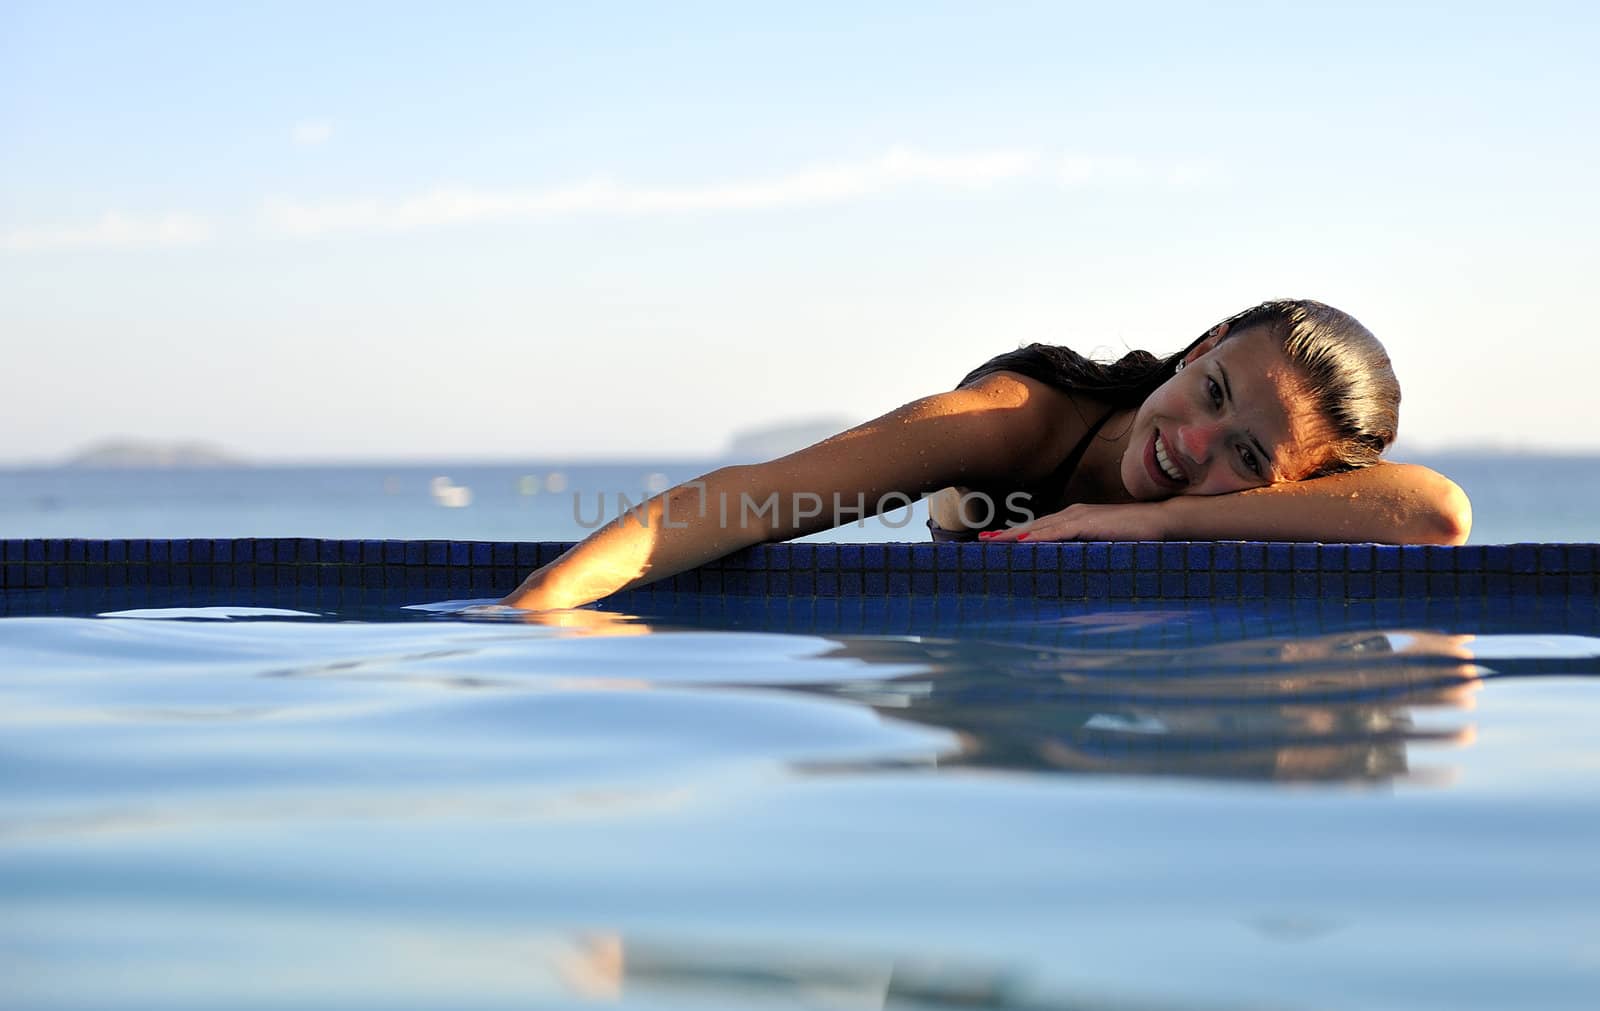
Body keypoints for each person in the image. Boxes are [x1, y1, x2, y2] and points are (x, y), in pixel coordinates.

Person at [501, 299, 1471, 611]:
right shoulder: (1017, 421)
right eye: (1208, 392)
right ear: (1199, 345)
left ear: (1296, 484)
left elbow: (1437, 512)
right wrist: (535, 607)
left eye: (1245, 455)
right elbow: (749, 501)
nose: (1188, 442)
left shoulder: (1230, 499)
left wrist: (1158, 522)